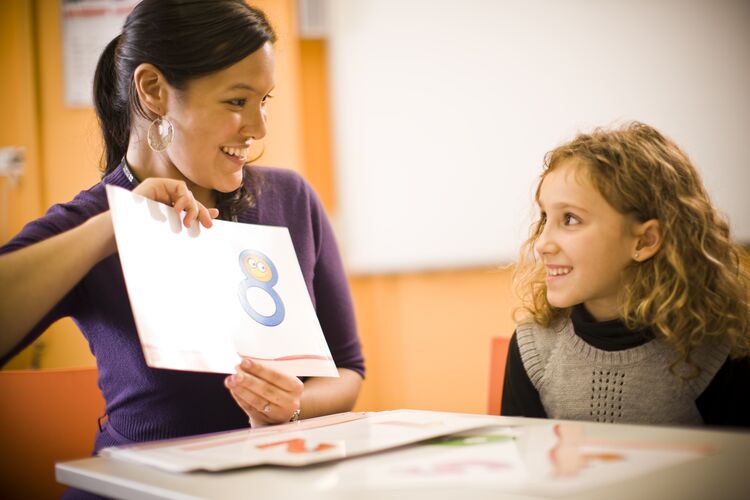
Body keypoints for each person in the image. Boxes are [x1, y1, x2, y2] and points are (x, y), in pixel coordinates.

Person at [0, 0, 364, 456]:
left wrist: (291, 407)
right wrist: (110, 229)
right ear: (153, 89)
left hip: (274, 478)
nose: (258, 127)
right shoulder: (91, 221)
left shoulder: (290, 198)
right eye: (236, 101)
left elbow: (348, 369)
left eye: (263, 101)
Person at [501, 122, 749, 427]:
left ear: (644, 241)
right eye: (544, 218)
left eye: (570, 219)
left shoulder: (724, 347)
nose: (541, 244)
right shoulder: (533, 348)